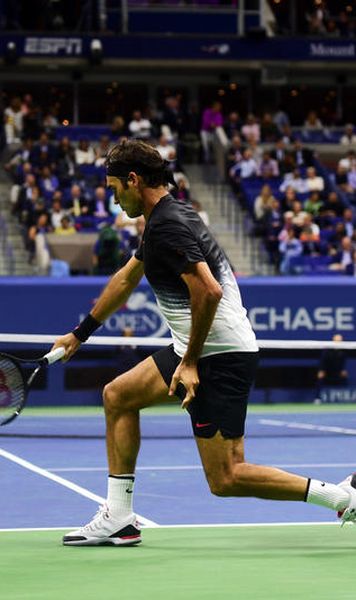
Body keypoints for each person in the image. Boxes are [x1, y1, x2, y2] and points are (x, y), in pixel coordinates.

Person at [52, 139, 356, 547]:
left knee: (226, 477)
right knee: (118, 396)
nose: (113, 198)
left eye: (114, 188)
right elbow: (126, 279)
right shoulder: (163, 220)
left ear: (133, 180)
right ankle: (119, 517)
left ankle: (343, 497)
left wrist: (191, 361)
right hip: (198, 349)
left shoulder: (170, 224)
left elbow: (209, 291)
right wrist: (80, 334)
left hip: (218, 356)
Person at [315, 334, 348, 403]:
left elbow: (343, 363)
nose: (339, 340)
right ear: (333, 340)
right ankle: (317, 398)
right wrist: (321, 370)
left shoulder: (343, 351)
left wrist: (343, 370)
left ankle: (345, 398)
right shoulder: (327, 350)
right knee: (320, 379)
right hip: (327, 371)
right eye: (337, 339)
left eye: (340, 339)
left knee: (345, 377)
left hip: (337, 372)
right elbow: (323, 361)